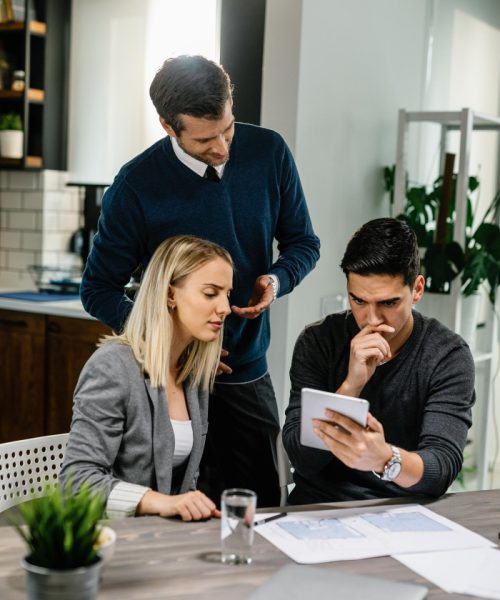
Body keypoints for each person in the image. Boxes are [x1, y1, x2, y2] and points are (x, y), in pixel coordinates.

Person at [80, 55, 320, 507]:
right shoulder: (135, 186)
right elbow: (97, 290)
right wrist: (170, 339)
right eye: (207, 139)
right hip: (173, 383)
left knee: (263, 510)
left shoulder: (269, 151)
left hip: (247, 373)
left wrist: (276, 279)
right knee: (180, 509)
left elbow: (304, 243)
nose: (224, 147)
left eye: (228, 129)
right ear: (169, 127)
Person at [283, 218, 475, 504]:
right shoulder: (318, 341)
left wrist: (386, 458)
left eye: (388, 303)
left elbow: (441, 468)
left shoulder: (447, 355)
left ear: (417, 290)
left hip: (406, 510)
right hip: (319, 505)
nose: (372, 319)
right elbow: (302, 458)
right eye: (358, 301)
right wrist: (351, 386)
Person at [61, 235, 233, 520]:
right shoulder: (112, 367)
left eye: (227, 294)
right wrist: (160, 502)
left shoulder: (193, 373)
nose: (225, 307)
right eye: (211, 293)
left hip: (162, 541)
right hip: (112, 540)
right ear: (169, 295)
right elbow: (77, 483)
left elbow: (185, 483)